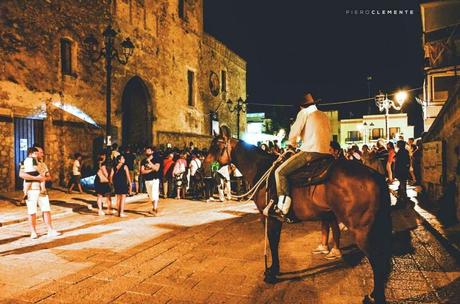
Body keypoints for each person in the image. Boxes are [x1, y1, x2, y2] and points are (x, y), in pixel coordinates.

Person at [267, 93, 331, 219]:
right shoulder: (324, 115)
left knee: (280, 172)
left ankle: (282, 208)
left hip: (310, 152)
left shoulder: (304, 113)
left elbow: (294, 133)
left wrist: (292, 144)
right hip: (326, 153)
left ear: (301, 106)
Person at [19, 146, 61, 239]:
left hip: (42, 190)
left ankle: (50, 230)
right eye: (39, 152)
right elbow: (21, 174)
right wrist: (36, 178)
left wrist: (43, 178)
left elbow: (49, 177)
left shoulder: (43, 164)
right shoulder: (24, 162)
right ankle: (33, 232)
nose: (41, 154)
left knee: (46, 210)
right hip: (30, 190)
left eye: (41, 152)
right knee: (32, 211)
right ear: (34, 153)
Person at [141, 146, 161, 215]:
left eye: (149, 151)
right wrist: (151, 170)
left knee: (154, 193)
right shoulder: (143, 161)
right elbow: (142, 171)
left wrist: (150, 162)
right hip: (147, 180)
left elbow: (156, 168)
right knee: (151, 195)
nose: (147, 152)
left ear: (152, 152)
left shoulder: (156, 159)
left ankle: (155, 209)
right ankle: (154, 208)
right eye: (146, 151)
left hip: (154, 179)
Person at [394, 140, 410, 207]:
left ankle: (404, 198)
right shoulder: (404, 151)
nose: (397, 145)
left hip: (401, 170)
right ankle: (403, 196)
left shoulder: (401, 152)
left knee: (403, 183)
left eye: (398, 144)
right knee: (402, 183)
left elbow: (400, 162)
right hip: (403, 170)